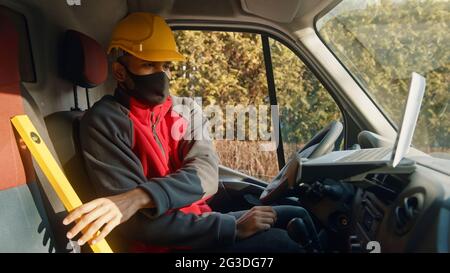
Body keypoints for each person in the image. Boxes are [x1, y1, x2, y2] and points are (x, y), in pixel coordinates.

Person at [62, 12, 317, 253]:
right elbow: (136, 224)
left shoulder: (186, 109)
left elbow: (205, 174)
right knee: (284, 244)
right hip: (161, 244)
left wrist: (141, 196)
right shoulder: (103, 122)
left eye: (165, 65)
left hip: (198, 221)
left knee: (298, 215)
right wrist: (231, 227)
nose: (161, 75)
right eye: (149, 65)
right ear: (120, 72)